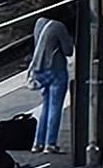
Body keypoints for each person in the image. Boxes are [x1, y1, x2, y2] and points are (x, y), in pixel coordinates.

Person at [28, 10, 73, 152]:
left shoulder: (39, 23)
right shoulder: (59, 26)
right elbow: (68, 50)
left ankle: (38, 143)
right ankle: (50, 143)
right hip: (56, 69)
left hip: (41, 71)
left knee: (45, 106)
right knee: (55, 107)